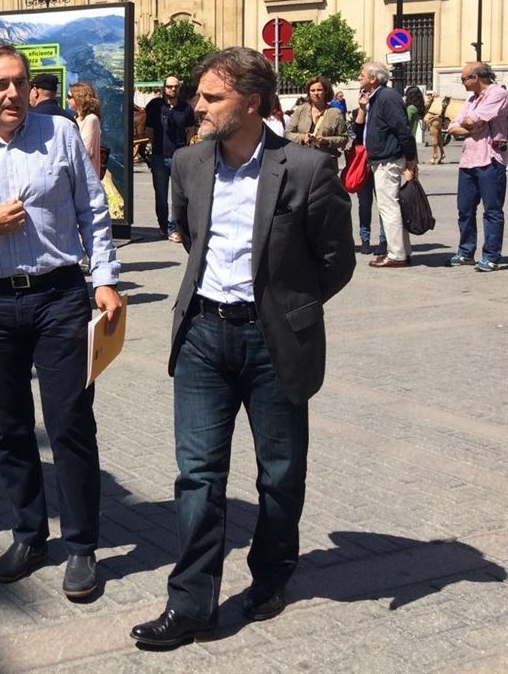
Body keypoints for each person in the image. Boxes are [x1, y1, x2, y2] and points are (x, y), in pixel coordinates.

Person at [130, 47, 354, 649]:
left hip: (272, 340)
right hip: (203, 333)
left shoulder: (305, 168)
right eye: (199, 96)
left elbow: (337, 260)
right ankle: (192, 603)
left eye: (211, 98)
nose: (196, 106)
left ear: (250, 103)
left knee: (279, 473)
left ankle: (272, 575)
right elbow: (189, 237)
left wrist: (290, 310)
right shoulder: (188, 162)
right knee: (197, 473)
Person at [0, 45, 121, 600]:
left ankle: (81, 547)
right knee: (10, 429)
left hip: (59, 297)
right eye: (0, 85)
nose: (12, 93)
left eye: (20, 82)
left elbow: (93, 209)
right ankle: (30, 534)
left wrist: (104, 277)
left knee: (70, 424)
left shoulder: (58, 134)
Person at [446, 62, 507, 272]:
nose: (462, 82)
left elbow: (473, 120)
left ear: (476, 77)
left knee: (492, 210)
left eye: (464, 78)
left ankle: (491, 256)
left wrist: (469, 125)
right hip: (468, 160)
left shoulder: (497, 93)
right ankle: (466, 252)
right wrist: (467, 127)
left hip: (491, 159)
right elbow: (453, 126)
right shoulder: (471, 99)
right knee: (465, 209)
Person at [359, 62, 417, 268]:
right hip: (382, 158)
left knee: (389, 207)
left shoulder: (387, 97)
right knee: (393, 206)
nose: (359, 78)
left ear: (373, 78)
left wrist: (411, 158)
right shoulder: (376, 98)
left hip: (388, 159)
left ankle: (396, 254)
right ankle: (402, 250)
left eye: (362, 74)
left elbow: (402, 128)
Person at [144, 77, 196, 242]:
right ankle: (163, 226)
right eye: (169, 87)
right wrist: (155, 146)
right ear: (164, 88)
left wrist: (184, 147)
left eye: (175, 87)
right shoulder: (155, 106)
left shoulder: (185, 108)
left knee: (178, 195)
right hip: (159, 156)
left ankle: (174, 227)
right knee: (160, 195)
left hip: (178, 156)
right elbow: (149, 130)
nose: (172, 90)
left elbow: (190, 129)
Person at [284, 76, 348, 157]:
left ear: (326, 92)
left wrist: (325, 140)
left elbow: (344, 139)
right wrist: (302, 137)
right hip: (302, 159)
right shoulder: (301, 110)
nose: (316, 93)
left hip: (326, 160)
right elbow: (287, 134)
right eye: (312, 90)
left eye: (319, 90)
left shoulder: (335, 113)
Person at [349, 92, 380, 255]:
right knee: (365, 204)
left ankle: (384, 240)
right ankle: (365, 239)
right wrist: (362, 109)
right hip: (363, 167)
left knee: (383, 205)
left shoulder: (382, 111)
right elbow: (358, 136)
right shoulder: (358, 112)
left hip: (380, 164)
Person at [68, 82, 103, 174]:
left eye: (69, 96)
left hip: (87, 175)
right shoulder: (77, 118)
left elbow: (87, 149)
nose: (66, 100)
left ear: (79, 98)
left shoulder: (91, 119)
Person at [425, 95, 452, 164]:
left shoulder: (433, 111)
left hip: (437, 120)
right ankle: (442, 153)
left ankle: (435, 155)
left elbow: (434, 136)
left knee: (435, 136)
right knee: (438, 136)